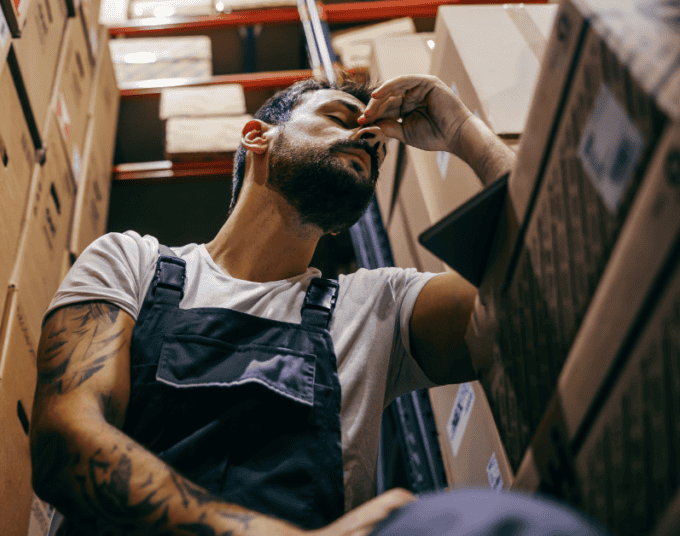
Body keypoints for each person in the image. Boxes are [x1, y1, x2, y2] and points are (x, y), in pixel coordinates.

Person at [29, 71, 517, 535]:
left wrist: (461, 128)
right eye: (341, 119)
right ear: (257, 136)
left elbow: (530, 289)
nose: (371, 139)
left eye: (379, 144)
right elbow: (64, 443)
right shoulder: (132, 263)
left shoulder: (376, 307)